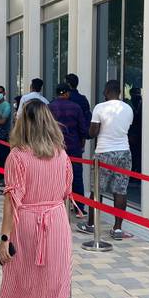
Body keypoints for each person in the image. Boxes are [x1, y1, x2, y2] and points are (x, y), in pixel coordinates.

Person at [0, 99, 73, 298]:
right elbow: (66, 191)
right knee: (57, 282)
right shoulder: (61, 154)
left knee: (23, 272)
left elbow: (11, 201)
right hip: (57, 222)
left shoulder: (17, 156)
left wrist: (4, 238)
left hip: (26, 221)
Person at [76, 80, 134, 240]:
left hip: (104, 152)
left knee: (97, 190)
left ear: (106, 91)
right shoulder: (128, 108)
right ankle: (117, 228)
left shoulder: (100, 108)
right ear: (120, 92)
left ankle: (92, 224)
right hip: (124, 152)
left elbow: (93, 132)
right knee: (120, 190)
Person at [49, 83, 89, 215]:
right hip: (74, 148)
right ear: (67, 93)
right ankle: (79, 208)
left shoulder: (50, 107)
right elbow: (83, 129)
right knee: (77, 177)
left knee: (56, 177)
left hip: (55, 148)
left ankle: (57, 206)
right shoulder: (76, 107)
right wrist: (82, 142)